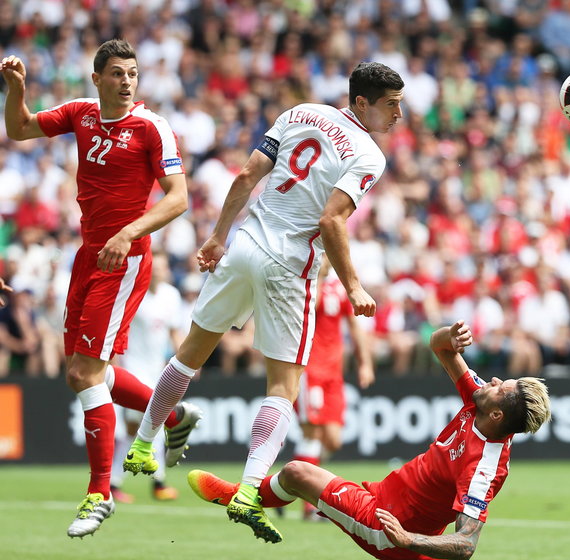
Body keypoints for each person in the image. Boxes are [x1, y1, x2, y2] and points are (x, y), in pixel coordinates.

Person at [124, 61, 405, 543]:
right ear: (361, 102)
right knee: (283, 387)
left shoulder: (301, 113)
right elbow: (333, 221)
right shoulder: (368, 154)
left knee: (190, 352)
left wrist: (217, 237)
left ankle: (143, 446)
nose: (399, 114)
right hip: (289, 265)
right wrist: (355, 285)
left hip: (245, 245)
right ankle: (250, 490)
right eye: (391, 105)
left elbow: (247, 175)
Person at [1, 39, 202, 538]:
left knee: (86, 371)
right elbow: (19, 128)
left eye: (132, 73)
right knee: (83, 375)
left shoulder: (152, 127)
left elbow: (178, 200)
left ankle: (98, 493)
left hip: (125, 258)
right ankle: (172, 415)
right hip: (88, 256)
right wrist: (16, 90)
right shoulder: (81, 114)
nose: (127, 81)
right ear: (97, 79)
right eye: (116, 73)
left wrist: (129, 232)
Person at [187, 320, 552, 558]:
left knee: (299, 472)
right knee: (300, 471)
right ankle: (248, 500)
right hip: (382, 496)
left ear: (498, 415)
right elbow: (439, 347)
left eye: (499, 387)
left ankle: (240, 497)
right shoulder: (478, 403)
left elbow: (467, 543)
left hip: (388, 526)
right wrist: (450, 336)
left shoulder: (484, 465)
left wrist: (409, 540)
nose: (491, 381)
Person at [293, 254, 375, 521]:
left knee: (333, 440)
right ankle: (310, 504)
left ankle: (293, 480)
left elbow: (354, 326)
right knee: (312, 435)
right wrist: (318, 271)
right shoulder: (306, 283)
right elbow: (308, 308)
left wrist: (365, 363)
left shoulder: (340, 289)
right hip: (309, 371)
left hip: (333, 375)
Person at [109, 253, 186, 503]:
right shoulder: (135, 294)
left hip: (158, 370)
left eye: (164, 266)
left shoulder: (171, 296)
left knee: (154, 424)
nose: (162, 271)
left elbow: (174, 330)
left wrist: (187, 360)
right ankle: (115, 482)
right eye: (158, 267)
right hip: (134, 368)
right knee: (137, 427)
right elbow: (119, 327)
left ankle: (154, 482)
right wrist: (115, 363)